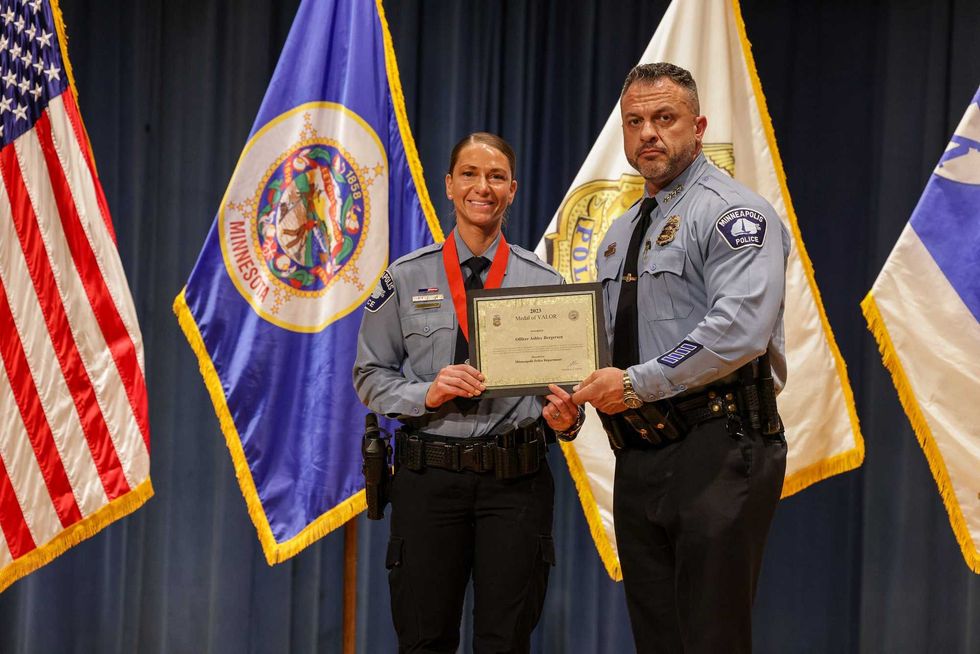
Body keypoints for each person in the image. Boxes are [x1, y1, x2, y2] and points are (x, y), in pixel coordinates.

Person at [572, 63, 790, 653]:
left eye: (664, 119)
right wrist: (569, 395)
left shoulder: (734, 214)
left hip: (718, 444)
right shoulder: (619, 235)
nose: (648, 133)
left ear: (698, 127)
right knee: (659, 639)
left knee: (710, 637)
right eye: (635, 121)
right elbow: (604, 342)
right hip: (641, 454)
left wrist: (637, 386)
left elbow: (737, 330)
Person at [353, 132, 582, 653]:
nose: (484, 186)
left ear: (513, 189)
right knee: (424, 640)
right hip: (428, 478)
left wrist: (568, 420)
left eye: (496, 176)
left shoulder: (544, 282)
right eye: (471, 175)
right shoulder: (405, 277)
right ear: (450, 186)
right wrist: (424, 394)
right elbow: (369, 375)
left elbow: (564, 396)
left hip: (516, 483)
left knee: (506, 641)